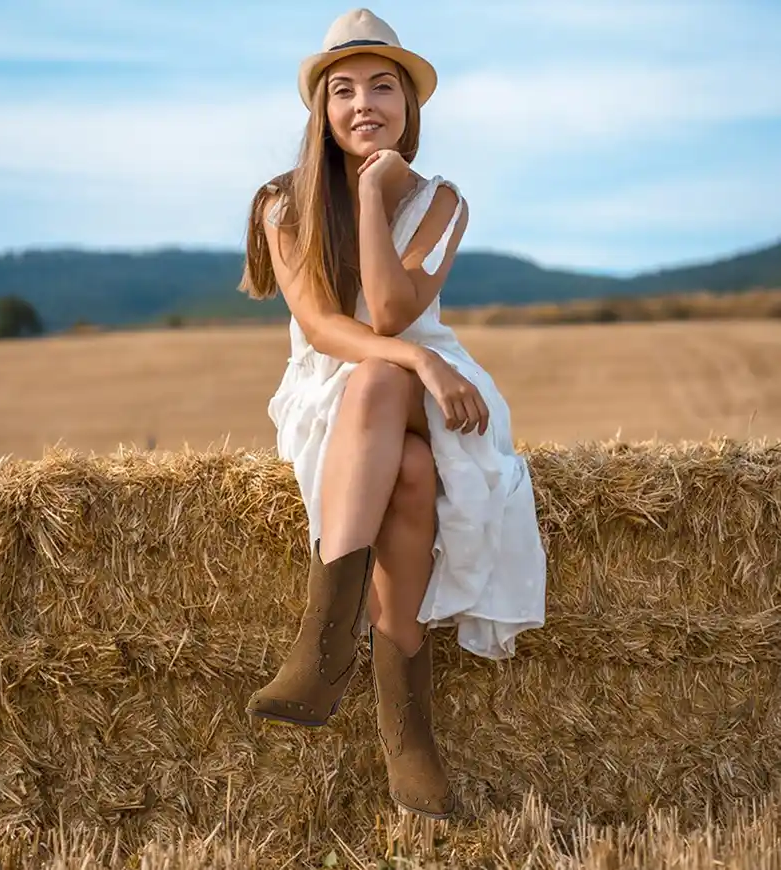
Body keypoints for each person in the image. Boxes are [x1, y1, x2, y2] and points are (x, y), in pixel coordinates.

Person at [238, 8, 547, 820]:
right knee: (406, 464)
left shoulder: (442, 202)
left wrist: (376, 190)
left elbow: (391, 306)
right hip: (342, 383)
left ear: (411, 106)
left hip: (434, 388)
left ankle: (323, 648)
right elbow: (330, 328)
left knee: (384, 384)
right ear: (320, 111)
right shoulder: (283, 201)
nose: (363, 103)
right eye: (342, 91)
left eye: (383, 87)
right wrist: (416, 358)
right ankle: (406, 734)